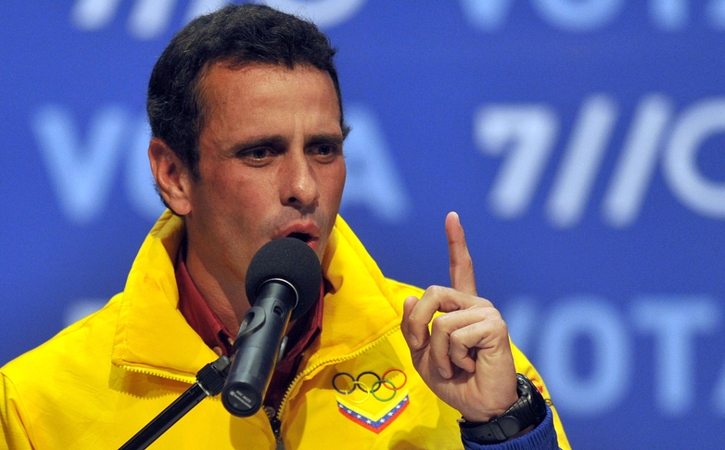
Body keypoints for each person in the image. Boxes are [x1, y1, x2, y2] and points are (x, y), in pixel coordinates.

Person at [0, 4, 570, 449]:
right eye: (260, 153)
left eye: (323, 149)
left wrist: (504, 427)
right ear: (173, 175)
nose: (304, 186)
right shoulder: (38, 404)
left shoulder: (461, 365)